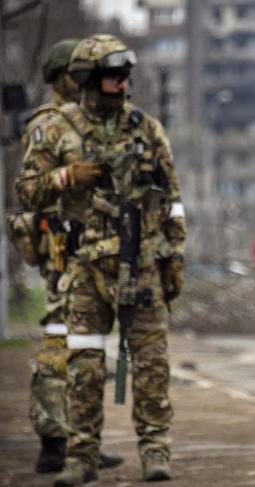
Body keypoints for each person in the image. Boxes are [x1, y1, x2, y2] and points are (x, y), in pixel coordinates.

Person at [16, 34, 186, 485]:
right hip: (87, 267)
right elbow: (26, 191)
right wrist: (68, 175)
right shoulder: (58, 130)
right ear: (90, 78)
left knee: (151, 363)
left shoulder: (146, 129)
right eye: (113, 74)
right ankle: (81, 456)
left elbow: (172, 200)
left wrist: (175, 258)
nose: (123, 81)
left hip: (143, 263)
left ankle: (155, 451)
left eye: (126, 74)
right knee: (85, 365)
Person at [7, 38, 122, 474]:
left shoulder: (92, 123)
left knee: (88, 348)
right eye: (80, 74)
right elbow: (28, 190)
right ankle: (53, 441)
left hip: (95, 251)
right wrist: (68, 174)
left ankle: (81, 440)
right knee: (60, 343)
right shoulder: (48, 124)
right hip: (62, 249)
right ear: (62, 78)